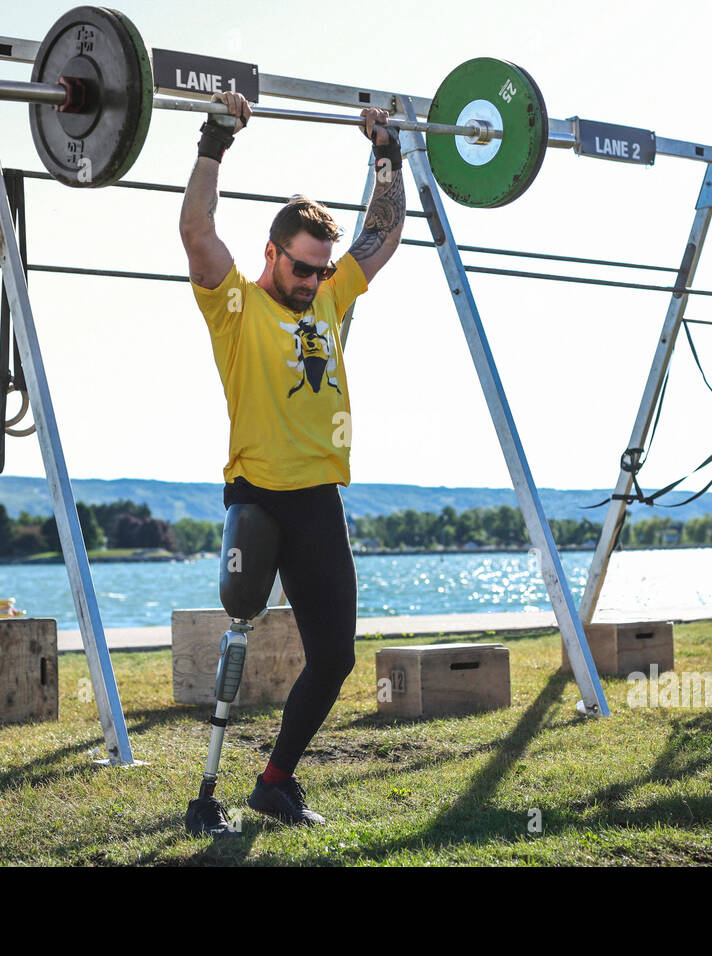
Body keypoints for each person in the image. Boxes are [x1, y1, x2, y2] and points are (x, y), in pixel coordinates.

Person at [179, 91, 405, 827]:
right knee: (240, 626)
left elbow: (384, 229)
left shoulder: (333, 299)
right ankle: (206, 794)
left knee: (335, 657)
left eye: (320, 271)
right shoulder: (236, 306)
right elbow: (195, 227)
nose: (311, 282)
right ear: (273, 253)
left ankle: (274, 782)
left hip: (319, 503)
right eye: (301, 268)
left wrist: (386, 153)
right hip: (258, 496)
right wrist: (217, 138)